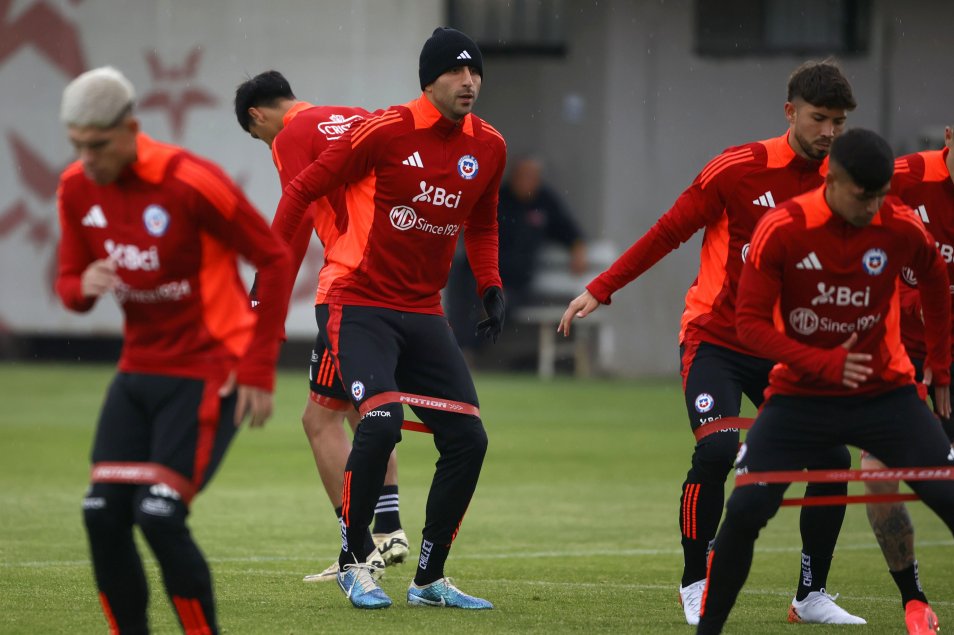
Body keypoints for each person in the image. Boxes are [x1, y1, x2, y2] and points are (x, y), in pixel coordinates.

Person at [559, 60, 862, 625]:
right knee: (719, 449)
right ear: (790, 112)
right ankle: (696, 581)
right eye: (820, 119)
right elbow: (669, 231)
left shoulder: (842, 182)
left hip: (784, 348)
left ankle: (810, 594)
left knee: (831, 457)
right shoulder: (738, 168)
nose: (830, 133)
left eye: (840, 122)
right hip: (715, 340)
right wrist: (602, 288)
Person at [271, 27, 506, 610]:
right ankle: (355, 563)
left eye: (474, 71)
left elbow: (481, 223)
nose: (468, 81)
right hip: (357, 300)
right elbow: (303, 189)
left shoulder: (491, 146)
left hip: (423, 310)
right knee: (379, 423)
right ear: (429, 80)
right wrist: (268, 266)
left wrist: (490, 284)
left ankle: (428, 579)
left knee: (468, 438)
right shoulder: (384, 131)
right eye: (456, 72)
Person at [56, 67, 291, 634]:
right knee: (101, 513)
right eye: (76, 146)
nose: (87, 159)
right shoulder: (76, 187)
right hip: (139, 370)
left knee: (159, 514)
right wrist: (80, 287)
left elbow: (275, 258)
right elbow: (69, 282)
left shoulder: (191, 181)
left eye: (98, 145)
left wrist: (259, 365)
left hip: (212, 369)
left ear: (131, 127)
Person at [696, 127, 954, 634]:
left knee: (948, 496)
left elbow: (935, 282)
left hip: (885, 393)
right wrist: (823, 364)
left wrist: (940, 366)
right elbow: (749, 325)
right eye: (864, 195)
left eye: (881, 194)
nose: (874, 206)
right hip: (801, 397)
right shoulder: (784, 227)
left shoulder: (898, 223)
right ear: (833, 180)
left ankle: (910, 600)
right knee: (745, 509)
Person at [234, 70, 408, 582]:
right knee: (365, 405)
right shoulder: (355, 117)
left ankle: (357, 547)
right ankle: (389, 527)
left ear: (257, 116)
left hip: (351, 290)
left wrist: (265, 306)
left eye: (258, 137)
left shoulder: (290, 135)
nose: (268, 145)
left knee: (319, 420)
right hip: (397, 283)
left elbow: (294, 221)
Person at [859, 124, 954, 634]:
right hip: (903, 360)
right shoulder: (905, 177)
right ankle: (912, 600)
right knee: (876, 472)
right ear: (949, 137)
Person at [446, 156, 586, 351]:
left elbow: (567, 230)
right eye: (522, 176)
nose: (526, 181)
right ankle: (457, 349)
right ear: (512, 176)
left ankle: (468, 350)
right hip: (482, 273)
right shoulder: (497, 198)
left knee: (496, 306)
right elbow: (474, 231)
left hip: (515, 282)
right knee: (464, 285)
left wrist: (577, 247)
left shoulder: (545, 202)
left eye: (532, 176)